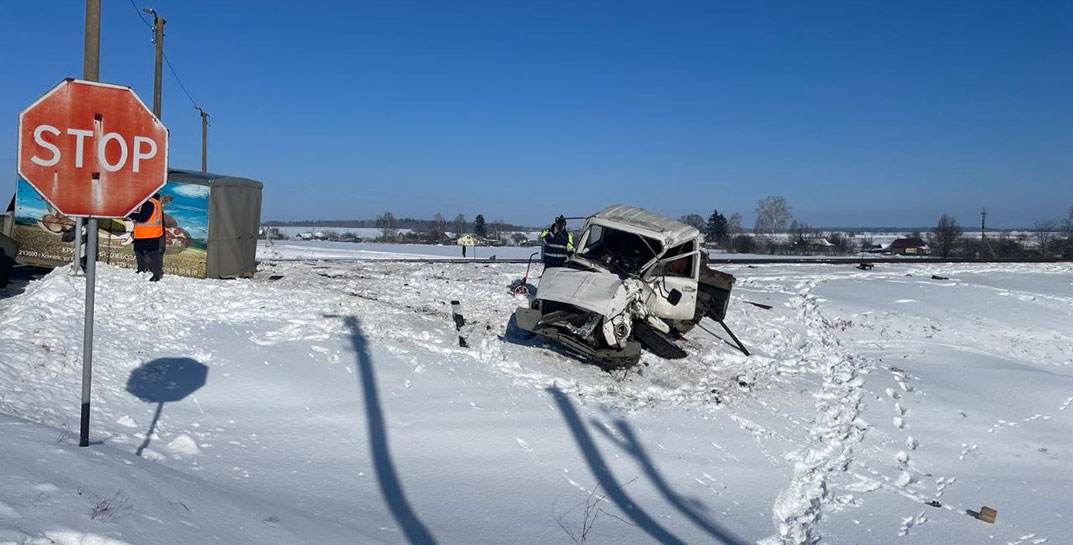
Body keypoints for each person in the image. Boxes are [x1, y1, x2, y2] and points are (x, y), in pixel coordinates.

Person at [128, 193, 165, 281]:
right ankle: (143, 270)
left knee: (152, 254)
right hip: (149, 233)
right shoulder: (156, 202)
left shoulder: (149, 202)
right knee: (140, 251)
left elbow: (143, 218)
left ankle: (156, 274)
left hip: (148, 233)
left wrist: (129, 214)